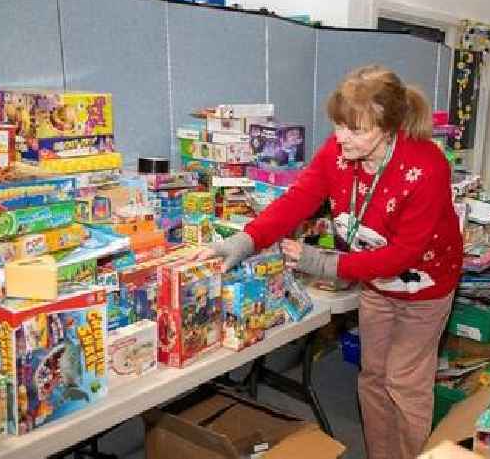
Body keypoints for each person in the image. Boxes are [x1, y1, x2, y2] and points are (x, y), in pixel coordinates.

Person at [195, 64, 463, 459]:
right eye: (339, 125)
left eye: (355, 130)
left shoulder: (426, 167)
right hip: (375, 283)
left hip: (424, 285)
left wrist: (323, 263)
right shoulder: (339, 152)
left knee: (405, 383)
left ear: (388, 128)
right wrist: (247, 239)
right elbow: (298, 199)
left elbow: (404, 254)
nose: (341, 138)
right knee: (373, 378)